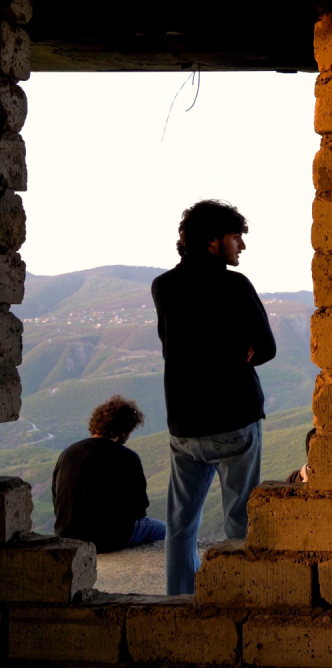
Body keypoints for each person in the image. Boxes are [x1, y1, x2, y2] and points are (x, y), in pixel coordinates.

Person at [152, 200, 276, 595]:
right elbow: (267, 348)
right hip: (233, 421)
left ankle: (179, 601)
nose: (241, 245)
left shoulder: (164, 286)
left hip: (184, 426)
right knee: (239, 520)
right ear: (212, 241)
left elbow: (171, 342)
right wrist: (240, 349)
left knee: (180, 526)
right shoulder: (233, 285)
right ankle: (238, 599)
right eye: (235, 237)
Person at [52, 396, 164, 552]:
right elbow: (139, 508)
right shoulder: (127, 457)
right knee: (167, 530)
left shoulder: (67, 453)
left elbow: (56, 498)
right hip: (109, 539)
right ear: (124, 430)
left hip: (67, 535)